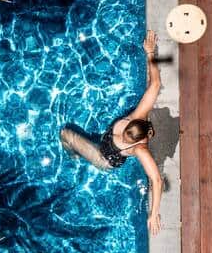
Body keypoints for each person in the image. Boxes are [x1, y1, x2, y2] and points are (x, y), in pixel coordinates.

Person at [59, 30, 163, 235]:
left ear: (139, 140)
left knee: (66, 134)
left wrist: (153, 213)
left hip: (104, 158)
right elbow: (156, 84)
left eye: (124, 137)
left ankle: (72, 157)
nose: (120, 132)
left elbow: (157, 180)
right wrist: (149, 52)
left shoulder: (140, 150)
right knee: (85, 136)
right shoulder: (138, 115)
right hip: (103, 142)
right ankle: (81, 149)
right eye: (124, 128)